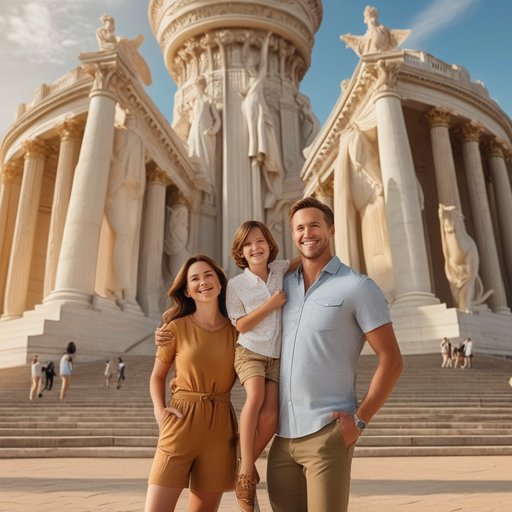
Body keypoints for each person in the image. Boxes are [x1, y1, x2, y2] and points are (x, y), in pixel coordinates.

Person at [266, 197, 403, 512]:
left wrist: (360, 420)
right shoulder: (282, 288)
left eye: (314, 225)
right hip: (282, 438)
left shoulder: (358, 287)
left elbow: (392, 360)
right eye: (299, 228)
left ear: (330, 229)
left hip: (327, 434)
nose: (307, 233)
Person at [144, 255, 239, 512]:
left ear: (220, 283)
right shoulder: (174, 328)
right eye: (194, 278)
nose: (203, 282)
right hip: (181, 420)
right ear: (187, 290)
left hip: (221, 427)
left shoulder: (238, 332)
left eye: (209, 275)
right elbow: (157, 376)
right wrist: (159, 410)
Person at [226, 220, 299, 512]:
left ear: (270, 245)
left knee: (270, 415)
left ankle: (244, 464)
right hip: (250, 352)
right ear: (241, 252)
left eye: (260, 241)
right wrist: (271, 304)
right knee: (255, 398)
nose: (254, 247)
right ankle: (245, 476)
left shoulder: (280, 269)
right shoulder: (236, 284)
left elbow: (307, 258)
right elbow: (241, 325)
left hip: (277, 356)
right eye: (247, 244)